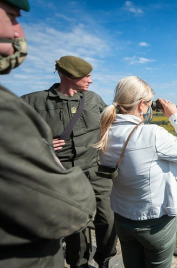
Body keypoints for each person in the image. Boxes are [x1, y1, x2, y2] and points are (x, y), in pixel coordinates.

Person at [0, 0, 96, 267]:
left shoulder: (94, 100)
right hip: (28, 251)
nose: (19, 33)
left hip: (90, 171)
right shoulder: (26, 102)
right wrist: (43, 147)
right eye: (11, 16)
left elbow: (112, 118)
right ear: (69, 75)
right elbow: (67, 207)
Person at [94, 76, 177, 268]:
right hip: (154, 223)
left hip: (122, 218)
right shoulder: (152, 134)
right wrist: (174, 116)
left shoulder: (105, 132)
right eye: (150, 104)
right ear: (143, 105)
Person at [21, 56, 117, 268]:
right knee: (75, 225)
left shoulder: (93, 99)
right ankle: (78, 263)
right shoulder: (34, 101)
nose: (90, 80)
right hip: (64, 174)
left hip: (96, 171)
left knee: (108, 218)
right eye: (86, 76)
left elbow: (116, 121)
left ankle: (105, 259)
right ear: (68, 76)